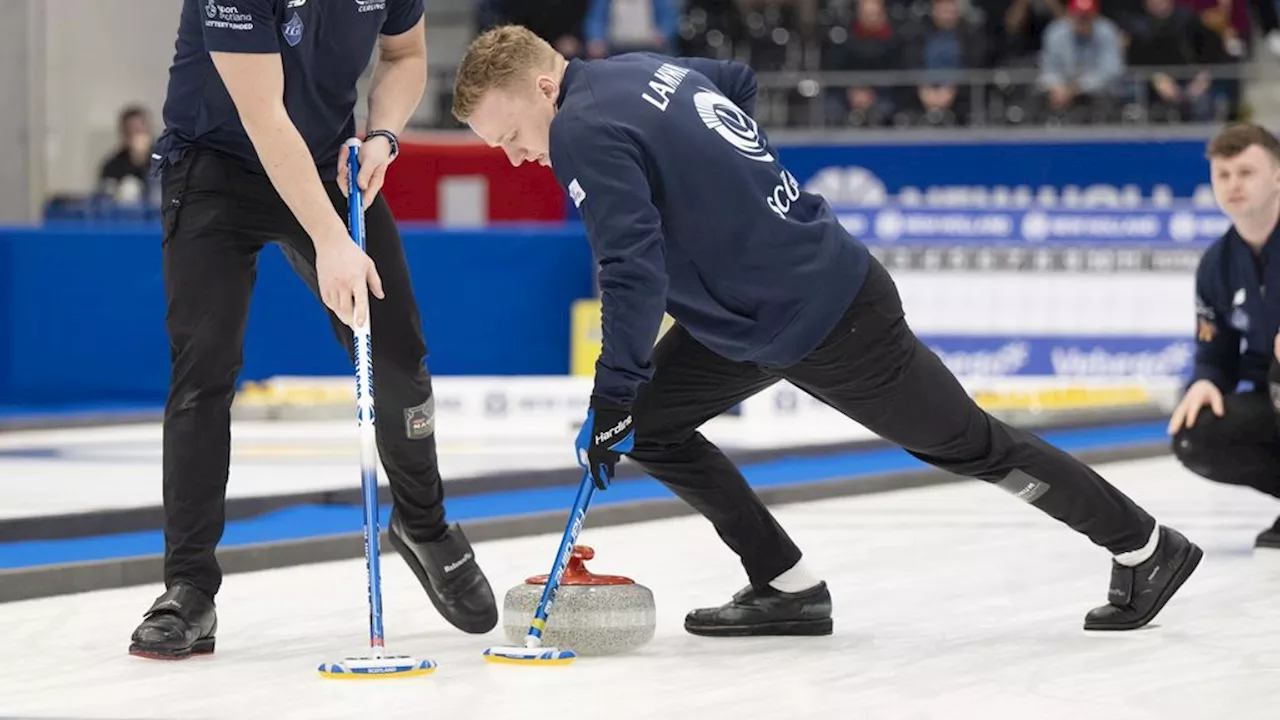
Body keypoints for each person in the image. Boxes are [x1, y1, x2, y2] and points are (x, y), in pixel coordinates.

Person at [450, 25, 1202, 637]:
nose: (516, 157)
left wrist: (609, 396)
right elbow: (735, 82)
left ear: (545, 88)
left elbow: (631, 273)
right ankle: (786, 585)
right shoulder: (637, 69)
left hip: (831, 316)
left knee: (970, 443)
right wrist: (737, 198)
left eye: (512, 134)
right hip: (753, 316)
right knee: (654, 426)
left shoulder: (582, 129)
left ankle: (1145, 545)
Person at [129, 0, 497, 660]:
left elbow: (406, 55)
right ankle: (188, 590)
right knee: (202, 373)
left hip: (330, 161)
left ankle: (423, 523)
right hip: (215, 163)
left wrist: (383, 135)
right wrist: (330, 240)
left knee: (396, 355)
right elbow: (264, 116)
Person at [1169, 122, 1280, 550]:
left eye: (1246, 172)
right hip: (1271, 395)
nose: (1233, 184)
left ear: (1277, 175)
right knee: (1197, 433)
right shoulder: (1215, 264)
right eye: (1223, 175)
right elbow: (1215, 350)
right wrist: (1206, 381)